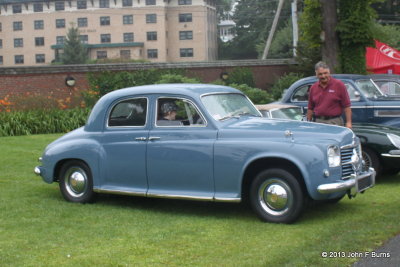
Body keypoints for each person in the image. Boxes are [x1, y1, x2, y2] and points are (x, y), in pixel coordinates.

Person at [306, 61, 352, 128]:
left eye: (325, 73)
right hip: (318, 122)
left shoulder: (339, 85)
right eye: (320, 74)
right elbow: (310, 108)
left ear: (329, 72)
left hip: (335, 122)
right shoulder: (313, 88)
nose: (323, 76)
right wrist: (308, 124)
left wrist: (349, 122)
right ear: (316, 74)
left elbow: (347, 106)